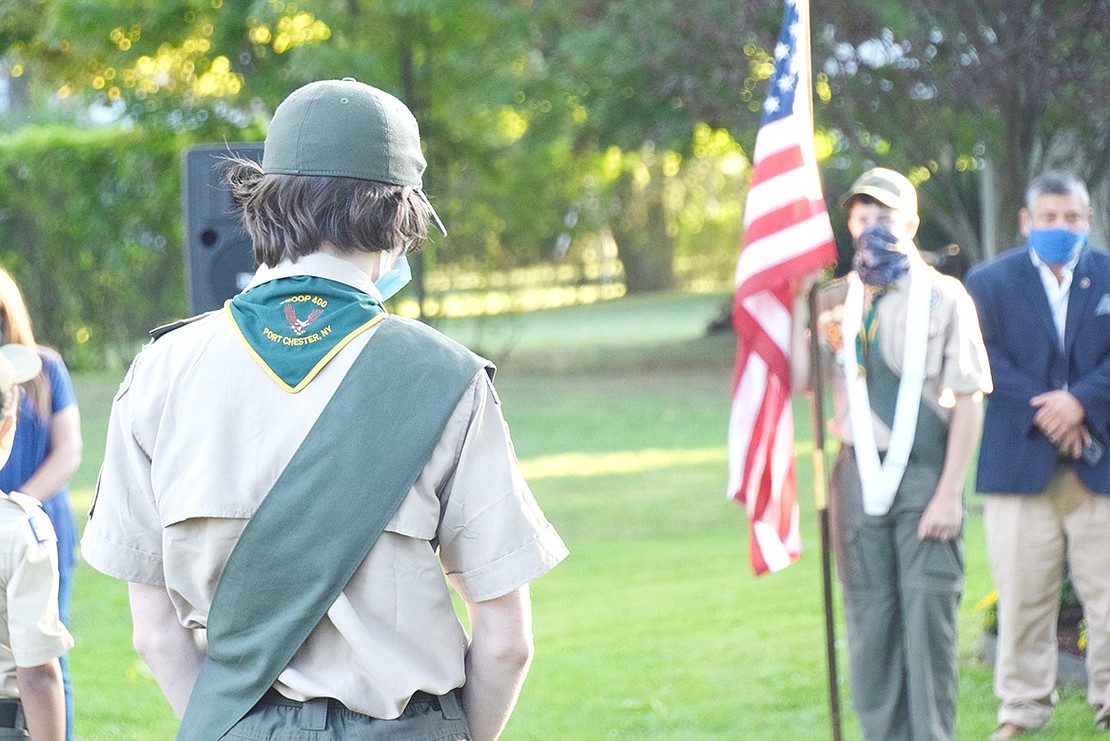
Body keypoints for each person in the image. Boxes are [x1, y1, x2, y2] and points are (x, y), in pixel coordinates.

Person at [81, 77, 567, 741]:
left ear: (261, 203)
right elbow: (507, 639)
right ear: (401, 217)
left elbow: (155, 633)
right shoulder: (446, 378)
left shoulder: (160, 371)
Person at [791, 167, 992, 740]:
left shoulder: (945, 297)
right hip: (856, 476)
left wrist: (952, 493)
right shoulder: (832, 301)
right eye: (861, 217)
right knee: (870, 626)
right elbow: (802, 379)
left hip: (926, 476)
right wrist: (791, 301)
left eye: (884, 216)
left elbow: (970, 399)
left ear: (910, 222)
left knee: (929, 625)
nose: (871, 227)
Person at [965, 171, 1110, 740]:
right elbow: (983, 360)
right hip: (1019, 468)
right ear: (1026, 222)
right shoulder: (987, 282)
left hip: (1100, 466)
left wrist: (1081, 403)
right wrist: (1048, 411)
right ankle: (1021, 713)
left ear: (1088, 220)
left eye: (1071, 218)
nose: (1060, 227)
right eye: (1047, 218)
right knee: (1024, 600)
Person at [0, 269, 81, 741]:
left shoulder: (45, 367)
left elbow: (68, 451)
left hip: (38, 532)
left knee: (46, 653)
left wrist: (19, 507)